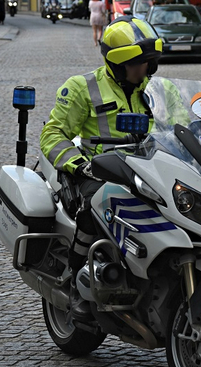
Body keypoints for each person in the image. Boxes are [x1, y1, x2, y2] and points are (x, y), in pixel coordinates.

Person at [39, 16, 161, 321]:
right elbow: (52, 134)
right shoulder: (83, 88)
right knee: (98, 204)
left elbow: (184, 124)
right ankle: (77, 283)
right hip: (97, 174)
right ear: (118, 64)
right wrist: (78, 165)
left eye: (148, 62)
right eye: (136, 63)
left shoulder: (157, 91)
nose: (143, 69)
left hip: (149, 173)